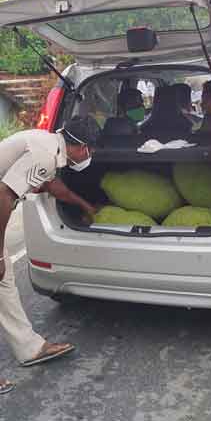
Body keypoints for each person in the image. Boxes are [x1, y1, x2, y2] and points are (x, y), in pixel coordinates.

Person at [0, 116, 100, 395]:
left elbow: (51, 186)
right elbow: (4, 196)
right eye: (91, 149)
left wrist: (83, 204)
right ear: (80, 147)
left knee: (4, 283)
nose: (91, 155)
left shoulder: (49, 146)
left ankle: (29, 348)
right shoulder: (44, 155)